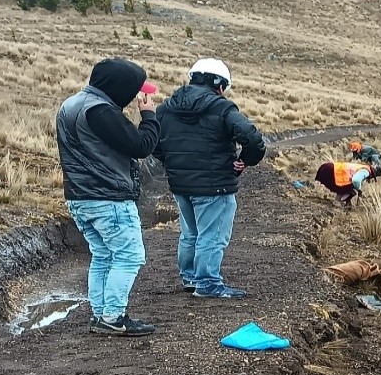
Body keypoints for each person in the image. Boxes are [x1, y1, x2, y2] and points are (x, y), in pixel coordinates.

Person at [56, 57, 161, 337]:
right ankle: (113, 317)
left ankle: (101, 315)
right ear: (120, 88)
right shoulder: (101, 111)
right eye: (134, 90)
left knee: (103, 255)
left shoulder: (72, 104)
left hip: (80, 197)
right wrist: (149, 116)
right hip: (108, 198)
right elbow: (141, 146)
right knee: (129, 256)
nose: (137, 96)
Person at [153, 58, 266, 300]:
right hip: (215, 185)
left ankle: (190, 277)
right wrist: (245, 159)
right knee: (212, 235)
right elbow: (254, 139)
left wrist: (172, 163)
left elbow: (152, 142)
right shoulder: (222, 108)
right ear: (220, 85)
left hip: (180, 185)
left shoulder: (165, 109)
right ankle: (207, 283)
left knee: (190, 233)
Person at [314, 160, 381, 208]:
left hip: (330, 168)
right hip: (333, 171)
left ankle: (346, 203)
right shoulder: (366, 171)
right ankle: (337, 202)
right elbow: (356, 180)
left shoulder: (364, 167)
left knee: (347, 187)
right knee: (351, 190)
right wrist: (359, 190)